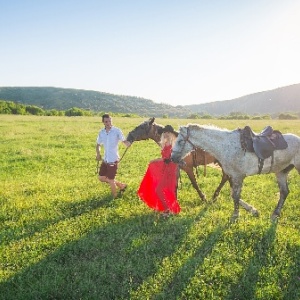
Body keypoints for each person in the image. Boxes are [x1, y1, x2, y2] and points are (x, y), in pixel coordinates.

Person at [137, 125, 181, 216]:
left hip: (170, 171)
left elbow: (168, 159)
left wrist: (155, 161)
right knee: (160, 188)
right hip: (165, 169)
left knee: (159, 189)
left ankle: (167, 210)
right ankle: (166, 208)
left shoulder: (173, 146)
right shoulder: (166, 144)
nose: (166, 134)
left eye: (168, 133)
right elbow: (165, 159)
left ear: (172, 134)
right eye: (165, 132)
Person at [96, 114, 131, 199]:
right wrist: (98, 153)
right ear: (103, 122)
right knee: (101, 177)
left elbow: (124, 140)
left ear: (111, 120)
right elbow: (98, 145)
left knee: (111, 180)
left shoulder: (117, 131)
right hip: (105, 159)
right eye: (106, 121)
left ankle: (115, 198)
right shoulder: (101, 132)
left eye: (110, 121)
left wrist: (127, 143)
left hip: (113, 159)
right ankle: (121, 185)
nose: (108, 123)